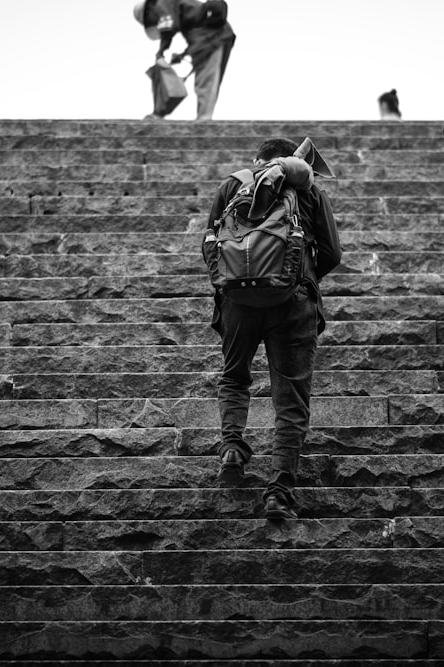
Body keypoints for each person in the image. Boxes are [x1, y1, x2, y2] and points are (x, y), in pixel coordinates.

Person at [207, 137, 342, 521]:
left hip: (237, 302)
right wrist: (299, 275)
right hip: (294, 301)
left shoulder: (232, 184)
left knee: (234, 378)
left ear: (257, 160)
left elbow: (210, 247)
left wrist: (234, 283)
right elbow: (332, 253)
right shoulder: (307, 188)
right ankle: (279, 492)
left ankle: (232, 446)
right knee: (290, 400)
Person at [133, 0, 235, 121]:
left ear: (149, 12)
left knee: (205, 79)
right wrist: (184, 54)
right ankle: (204, 117)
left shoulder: (161, 3)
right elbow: (196, 29)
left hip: (212, 38)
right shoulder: (175, 5)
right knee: (209, 78)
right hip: (219, 36)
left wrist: (160, 53)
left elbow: (168, 29)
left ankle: (204, 119)